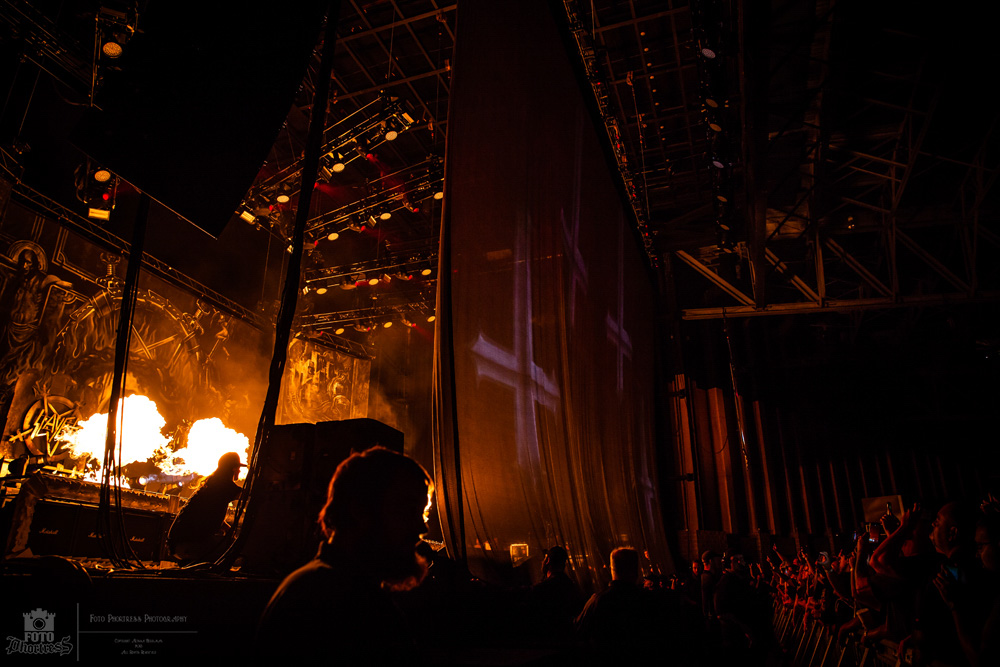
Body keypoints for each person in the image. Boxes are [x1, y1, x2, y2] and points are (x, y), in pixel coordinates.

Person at [257, 446, 433, 662]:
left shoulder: (326, 588)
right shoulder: (337, 602)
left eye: (421, 512)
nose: (421, 528)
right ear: (358, 510)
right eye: (407, 510)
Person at [166, 451, 244, 564]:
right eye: (238, 468)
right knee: (230, 558)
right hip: (187, 543)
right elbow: (249, 496)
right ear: (233, 468)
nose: (240, 471)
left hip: (177, 543)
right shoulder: (224, 485)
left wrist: (227, 529)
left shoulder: (214, 483)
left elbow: (208, 513)